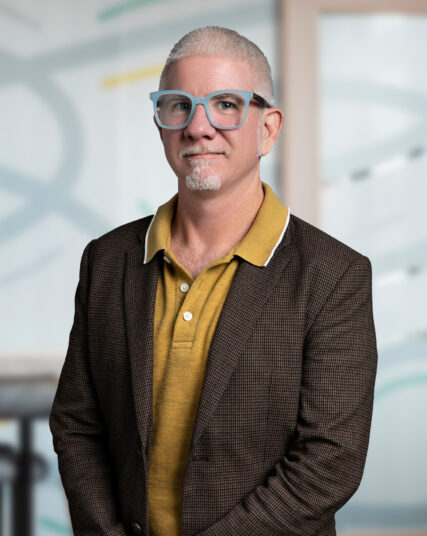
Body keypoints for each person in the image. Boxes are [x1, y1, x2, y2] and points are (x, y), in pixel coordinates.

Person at [49, 26, 378, 536]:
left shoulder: (333, 276)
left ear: (267, 128)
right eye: (179, 104)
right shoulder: (108, 261)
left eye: (225, 104)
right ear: (160, 124)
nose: (198, 126)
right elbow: (77, 424)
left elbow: (330, 460)